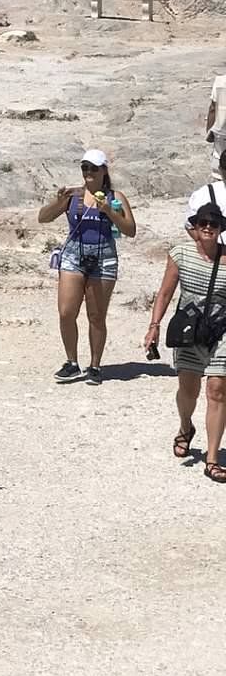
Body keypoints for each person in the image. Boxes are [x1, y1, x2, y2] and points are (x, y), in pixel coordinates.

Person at [143, 201, 226, 482]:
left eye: (213, 224)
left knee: (217, 389)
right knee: (188, 391)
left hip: (220, 332)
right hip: (189, 331)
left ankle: (212, 460)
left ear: (220, 229)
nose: (207, 228)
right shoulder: (180, 254)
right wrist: (154, 326)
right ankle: (185, 426)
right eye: (202, 222)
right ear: (195, 225)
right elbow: (165, 294)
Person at [37, 150, 136, 384]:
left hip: (103, 257)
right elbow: (43, 217)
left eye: (93, 168)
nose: (88, 173)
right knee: (66, 311)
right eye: (85, 168)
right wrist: (58, 201)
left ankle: (95, 365)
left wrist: (109, 211)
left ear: (104, 170)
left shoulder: (116, 197)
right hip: (74, 255)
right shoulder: (73, 196)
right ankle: (71, 362)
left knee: (96, 315)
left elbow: (130, 230)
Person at [206, 70, 226, 165]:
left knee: (220, 161)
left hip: (222, 133)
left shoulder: (220, 81)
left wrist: (209, 131)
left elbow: (213, 109)